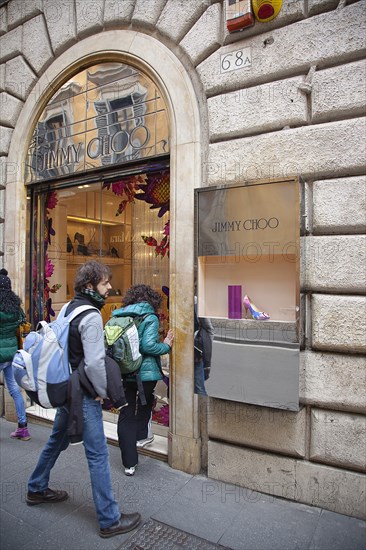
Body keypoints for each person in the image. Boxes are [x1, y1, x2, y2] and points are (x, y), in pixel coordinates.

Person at [26, 260, 141, 538]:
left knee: (57, 439)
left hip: (67, 388)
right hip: (84, 393)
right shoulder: (90, 315)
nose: (110, 287)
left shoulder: (68, 307)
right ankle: (109, 519)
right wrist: (102, 393)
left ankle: (36, 487)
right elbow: (94, 364)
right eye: (105, 283)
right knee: (98, 454)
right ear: (90, 286)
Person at [115, 284, 174, 476]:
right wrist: (166, 346)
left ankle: (129, 463)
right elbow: (149, 346)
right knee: (146, 401)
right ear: (152, 300)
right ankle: (141, 436)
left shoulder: (118, 316)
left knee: (126, 412)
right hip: (144, 373)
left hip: (123, 372)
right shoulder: (150, 317)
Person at [0, 268, 31, 440]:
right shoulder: (15, 307)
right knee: (14, 389)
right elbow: (22, 324)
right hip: (11, 353)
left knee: (13, 388)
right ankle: (23, 427)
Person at [194, 298, 214, 396]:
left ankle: (203, 410)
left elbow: (209, 329)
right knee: (198, 387)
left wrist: (207, 347)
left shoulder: (197, 302)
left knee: (199, 387)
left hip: (195, 351)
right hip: (186, 351)